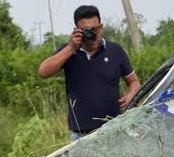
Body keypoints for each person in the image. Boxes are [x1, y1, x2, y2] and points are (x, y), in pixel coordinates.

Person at [38, 5, 141, 140]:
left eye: (95, 29)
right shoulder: (68, 51)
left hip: (115, 128)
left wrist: (130, 96)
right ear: (77, 30)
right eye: (87, 31)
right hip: (81, 134)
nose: (93, 34)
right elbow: (43, 72)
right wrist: (71, 47)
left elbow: (134, 82)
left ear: (101, 27)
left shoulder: (115, 50)